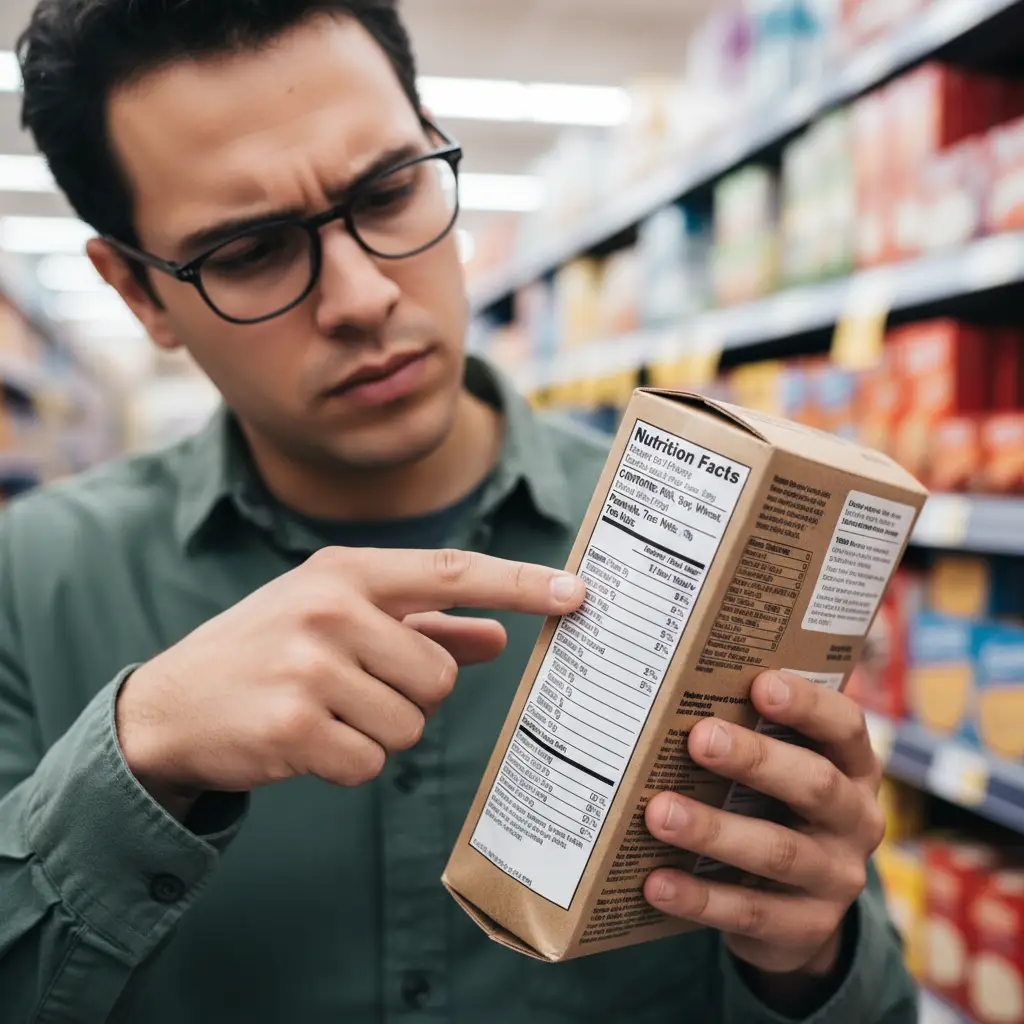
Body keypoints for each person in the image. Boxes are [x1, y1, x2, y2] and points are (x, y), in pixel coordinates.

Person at [0, 2, 917, 1021]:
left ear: (433, 142)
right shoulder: (29, 578)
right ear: (137, 292)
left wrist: (808, 960)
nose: (359, 297)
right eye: (250, 251)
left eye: (389, 191)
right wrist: (136, 754)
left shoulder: (722, 540)